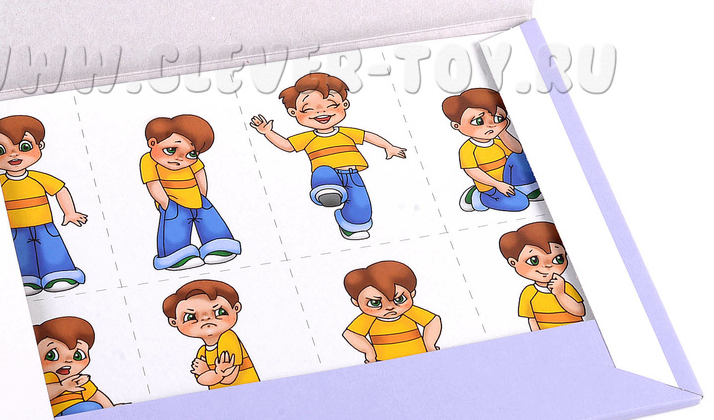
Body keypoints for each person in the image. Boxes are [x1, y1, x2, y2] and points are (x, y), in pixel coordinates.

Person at [251, 72, 406, 240]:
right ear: (293, 112)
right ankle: (327, 191)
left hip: (353, 175)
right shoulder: (307, 137)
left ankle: (351, 226)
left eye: (331, 105)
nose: (321, 112)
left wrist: (388, 147)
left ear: (344, 104)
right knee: (324, 172)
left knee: (362, 204)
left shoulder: (347, 132)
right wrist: (268, 132)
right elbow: (287, 146)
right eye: (308, 109)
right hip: (327, 173)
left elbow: (368, 136)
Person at [0, 114, 87, 294]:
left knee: (51, 250)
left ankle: (59, 275)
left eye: (25, 147)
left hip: (44, 226)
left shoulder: (38, 178)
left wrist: (70, 213)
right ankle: (27, 280)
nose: (13, 154)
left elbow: (60, 190)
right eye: (0, 150)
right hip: (15, 229)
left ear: (39, 146)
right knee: (22, 254)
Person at [140, 114, 241, 271]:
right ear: (153, 143)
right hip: (173, 202)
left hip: (198, 199)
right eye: (171, 150)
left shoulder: (191, 163)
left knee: (211, 222)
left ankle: (219, 245)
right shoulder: (148, 160)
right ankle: (176, 256)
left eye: (191, 154)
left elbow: (199, 172)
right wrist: (165, 203)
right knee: (175, 228)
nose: (180, 159)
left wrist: (202, 195)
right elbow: (153, 182)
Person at [441, 88, 542, 212]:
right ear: (457, 125)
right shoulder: (468, 149)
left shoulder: (499, 142)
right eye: (478, 121)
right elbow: (472, 171)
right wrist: (497, 184)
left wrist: (502, 131)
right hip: (490, 188)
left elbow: (518, 151)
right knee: (522, 203)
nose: (491, 125)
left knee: (517, 156)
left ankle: (523, 188)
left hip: (507, 181)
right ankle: (475, 198)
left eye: (498, 119)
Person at [162, 280, 259, 389]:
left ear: (236, 308)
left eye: (219, 312)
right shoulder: (202, 351)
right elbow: (202, 380)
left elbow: (229, 378)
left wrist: (208, 372)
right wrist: (216, 373)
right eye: (191, 317)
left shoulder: (228, 338)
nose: (205, 318)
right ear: (174, 322)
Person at [343, 260, 441, 362]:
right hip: (385, 362)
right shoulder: (368, 318)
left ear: (412, 294)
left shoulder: (410, 312)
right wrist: (369, 351)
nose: (389, 307)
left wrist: (429, 345)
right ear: (356, 302)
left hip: (419, 357)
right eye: (375, 303)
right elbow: (351, 334)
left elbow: (433, 321)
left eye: (399, 299)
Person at [499, 222, 586, 330]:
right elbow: (532, 320)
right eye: (534, 260)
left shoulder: (564, 286)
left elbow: (580, 311)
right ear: (513, 262)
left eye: (558, 259)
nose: (548, 266)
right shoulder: (529, 293)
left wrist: (560, 294)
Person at [35, 316, 115, 416]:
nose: (68, 361)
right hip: (53, 416)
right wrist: (63, 386)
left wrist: (113, 411)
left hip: (79, 414)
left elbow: (97, 396)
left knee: (92, 406)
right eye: (52, 355)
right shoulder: (45, 379)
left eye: (78, 356)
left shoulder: (79, 381)